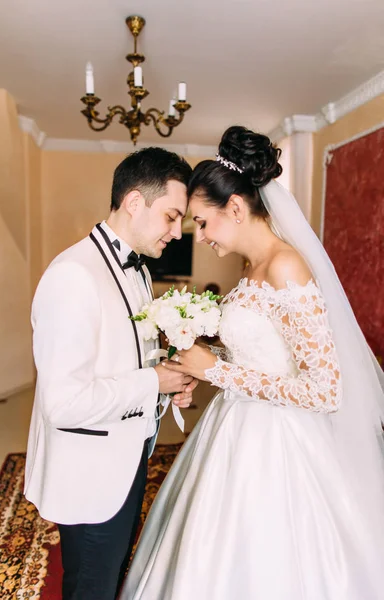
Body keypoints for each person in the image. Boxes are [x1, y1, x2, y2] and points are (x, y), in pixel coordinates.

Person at [121, 127, 384, 599]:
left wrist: (214, 370)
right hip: (235, 424)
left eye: (201, 222)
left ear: (236, 209)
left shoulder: (287, 266)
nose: (198, 237)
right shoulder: (251, 271)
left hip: (279, 446)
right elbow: (265, 355)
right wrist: (205, 361)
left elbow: (324, 389)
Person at [24, 147, 198, 600]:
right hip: (90, 475)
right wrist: (152, 383)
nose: (178, 233)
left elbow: (128, 360)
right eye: (172, 216)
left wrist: (167, 383)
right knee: (91, 586)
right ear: (135, 202)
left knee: (112, 575)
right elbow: (62, 403)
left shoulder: (137, 271)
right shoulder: (73, 275)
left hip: (128, 458)